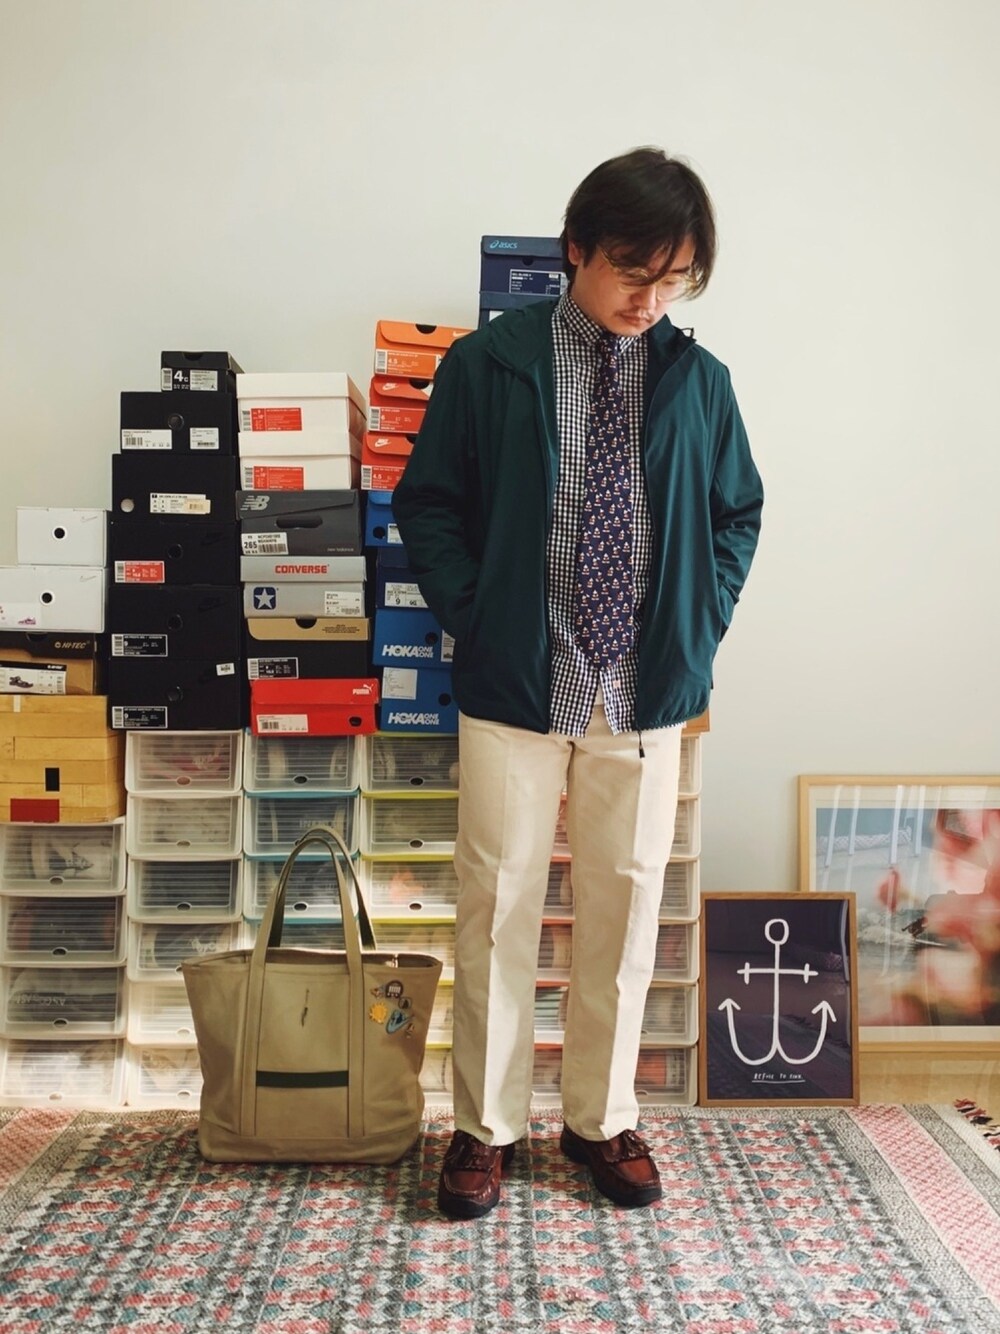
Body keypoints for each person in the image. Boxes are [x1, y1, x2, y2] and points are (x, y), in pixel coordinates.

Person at [393, 147, 763, 1218]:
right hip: (519, 676)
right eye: (633, 274)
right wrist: (475, 613)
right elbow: (430, 503)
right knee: (496, 905)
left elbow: (737, 513)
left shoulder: (700, 381)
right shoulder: (489, 363)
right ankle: (485, 1126)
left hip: (642, 687)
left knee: (627, 905)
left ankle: (601, 1118)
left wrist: (697, 624)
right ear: (576, 252)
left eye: (674, 279)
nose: (650, 300)